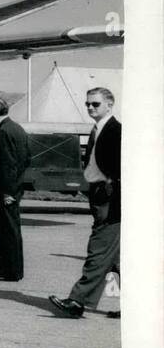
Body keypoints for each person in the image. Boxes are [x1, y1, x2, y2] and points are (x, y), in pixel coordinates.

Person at [50, 88, 121, 318]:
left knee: (98, 251)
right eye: (88, 104)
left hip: (111, 201)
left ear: (110, 105)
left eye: (96, 104)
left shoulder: (115, 131)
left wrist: (112, 186)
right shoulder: (98, 130)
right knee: (118, 257)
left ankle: (78, 301)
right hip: (99, 195)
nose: (90, 107)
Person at [0, 98, 31, 281]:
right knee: (13, 230)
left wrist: (8, 192)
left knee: (3, 231)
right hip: (14, 188)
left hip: (4, 191)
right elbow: (26, 159)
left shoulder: (3, 132)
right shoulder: (17, 129)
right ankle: (15, 270)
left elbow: (6, 164)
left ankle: (7, 271)